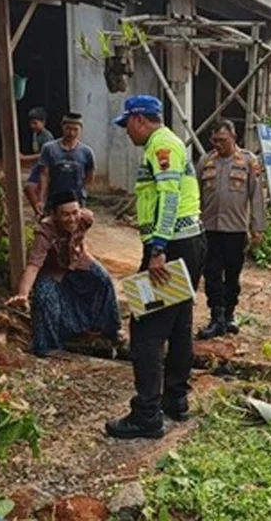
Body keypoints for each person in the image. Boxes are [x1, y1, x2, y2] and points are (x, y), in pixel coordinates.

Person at [105, 95, 206, 440]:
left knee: (145, 330)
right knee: (178, 324)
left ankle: (147, 415)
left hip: (171, 246)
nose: (126, 134)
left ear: (138, 119)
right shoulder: (173, 144)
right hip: (189, 243)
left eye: (126, 126)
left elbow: (169, 198)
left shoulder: (161, 146)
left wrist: (158, 249)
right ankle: (174, 400)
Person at [4, 190, 122, 356]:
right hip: (53, 271)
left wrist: (83, 252)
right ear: (55, 215)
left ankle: (109, 330)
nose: (72, 219)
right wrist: (23, 294)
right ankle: (49, 347)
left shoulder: (86, 218)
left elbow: (80, 236)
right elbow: (33, 266)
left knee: (103, 278)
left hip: (78, 261)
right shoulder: (45, 232)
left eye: (75, 213)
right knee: (44, 296)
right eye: (65, 215)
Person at [195, 120, 267, 340]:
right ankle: (216, 317)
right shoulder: (206, 161)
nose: (218, 145)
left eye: (222, 140)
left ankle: (230, 315)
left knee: (233, 275)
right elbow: (195, 194)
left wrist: (258, 228)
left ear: (233, 137)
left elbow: (256, 197)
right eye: (214, 140)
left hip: (235, 230)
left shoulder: (248, 162)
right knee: (212, 274)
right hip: (210, 229)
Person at [37, 113, 95, 214]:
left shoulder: (87, 152)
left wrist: (83, 194)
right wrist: (42, 199)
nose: (71, 133)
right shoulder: (49, 149)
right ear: (62, 127)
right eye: (68, 128)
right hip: (53, 200)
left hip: (76, 202)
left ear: (80, 130)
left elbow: (90, 176)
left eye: (75, 129)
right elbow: (44, 175)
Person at [22, 107, 55, 216]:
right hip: (38, 167)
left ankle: (42, 213)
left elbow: (44, 155)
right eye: (31, 123)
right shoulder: (36, 134)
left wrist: (25, 158)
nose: (32, 126)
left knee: (33, 189)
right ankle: (40, 213)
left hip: (45, 168)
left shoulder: (47, 137)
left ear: (43, 122)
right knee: (29, 188)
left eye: (35, 123)